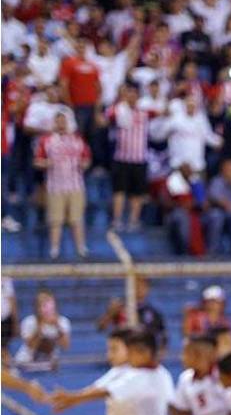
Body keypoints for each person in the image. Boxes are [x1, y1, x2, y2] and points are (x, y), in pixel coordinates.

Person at [34, 111, 90, 259]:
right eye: (58, 121)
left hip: (75, 185)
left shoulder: (77, 139)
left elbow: (87, 158)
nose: (61, 124)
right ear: (54, 123)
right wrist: (47, 163)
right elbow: (37, 161)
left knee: (76, 219)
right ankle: (54, 249)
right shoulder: (47, 140)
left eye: (63, 121)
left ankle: (81, 248)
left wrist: (84, 165)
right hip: (55, 186)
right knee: (56, 220)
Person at [105, 83, 152, 232]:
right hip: (122, 158)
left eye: (134, 94)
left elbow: (161, 112)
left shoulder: (144, 113)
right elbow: (109, 116)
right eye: (128, 94)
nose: (131, 97)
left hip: (139, 158)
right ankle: (117, 220)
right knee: (119, 191)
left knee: (137, 193)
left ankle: (133, 220)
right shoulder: (119, 110)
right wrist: (121, 102)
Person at [94, 276, 168, 351]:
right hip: (123, 354)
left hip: (142, 354)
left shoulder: (153, 313)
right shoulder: (119, 307)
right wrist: (110, 314)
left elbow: (163, 337)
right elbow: (100, 327)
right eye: (136, 285)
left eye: (142, 286)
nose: (139, 289)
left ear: (148, 289)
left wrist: (159, 355)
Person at [15, 289, 70, 372]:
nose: (46, 306)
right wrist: (40, 325)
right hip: (26, 364)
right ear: (36, 306)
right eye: (41, 303)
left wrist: (57, 326)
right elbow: (31, 346)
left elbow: (65, 346)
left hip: (48, 366)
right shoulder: (28, 321)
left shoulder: (63, 321)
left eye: (48, 301)